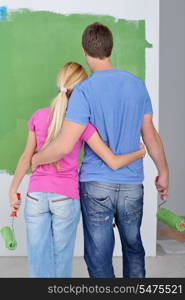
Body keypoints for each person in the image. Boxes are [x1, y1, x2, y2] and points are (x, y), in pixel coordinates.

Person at [30, 23, 169, 278]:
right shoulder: (137, 85)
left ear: (85, 51)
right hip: (131, 184)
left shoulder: (84, 91)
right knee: (134, 249)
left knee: (99, 255)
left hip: (96, 185)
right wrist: (163, 171)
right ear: (110, 49)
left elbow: (64, 145)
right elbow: (150, 134)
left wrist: (36, 158)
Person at [9, 62, 146, 278]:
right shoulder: (83, 123)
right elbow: (112, 161)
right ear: (82, 89)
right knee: (61, 259)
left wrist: (13, 189)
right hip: (65, 197)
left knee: (37, 259)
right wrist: (138, 154)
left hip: (35, 195)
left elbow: (26, 157)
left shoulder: (38, 116)